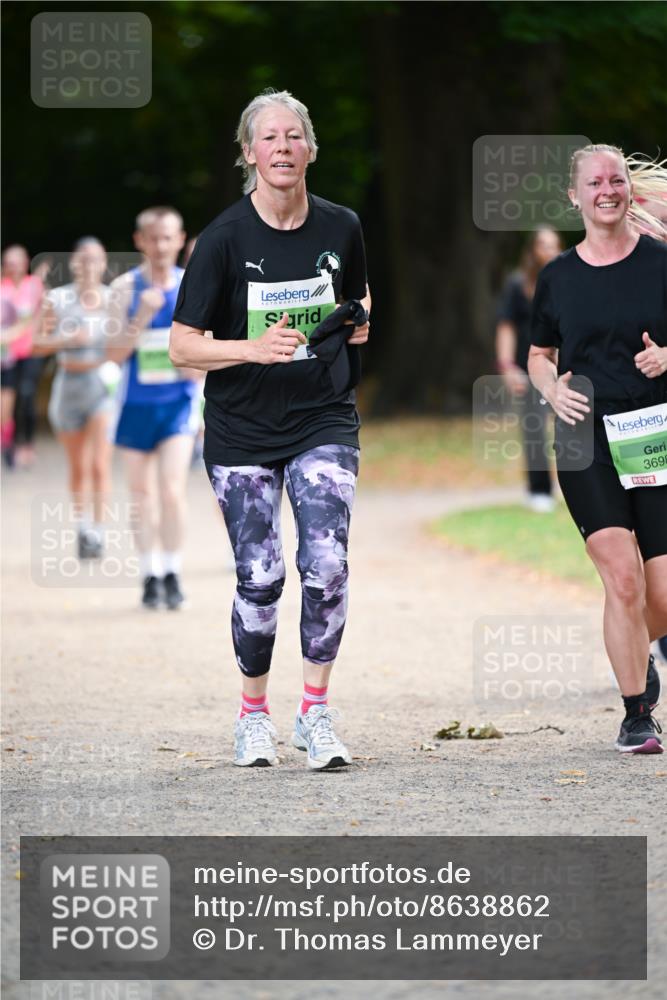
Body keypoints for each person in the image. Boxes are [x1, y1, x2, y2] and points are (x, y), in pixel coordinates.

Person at [170, 89, 371, 770]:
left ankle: (314, 712)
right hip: (241, 427)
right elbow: (181, 345)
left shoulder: (341, 226)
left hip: (322, 416)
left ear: (310, 148)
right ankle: (252, 715)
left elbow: (358, 298)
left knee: (327, 564)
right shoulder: (222, 241)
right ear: (249, 153)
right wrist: (250, 349)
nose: (282, 148)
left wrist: (359, 323)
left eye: (293, 137)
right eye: (269, 138)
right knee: (259, 578)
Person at [528, 144, 667, 754]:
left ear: (629, 191)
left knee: (660, 593)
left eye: (616, 179)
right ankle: (637, 712)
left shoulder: (661, 263)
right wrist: (551, 390)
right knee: (622, 579)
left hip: (655, 434)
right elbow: (538, 355)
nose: (607, 189)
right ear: (574, 196)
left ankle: (636, 652)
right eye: (594, 182)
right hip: (586, 437)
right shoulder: (557, 276)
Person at [108, 207, 201, 610]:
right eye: (153, 238)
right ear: (140, 241)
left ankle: (173, 570)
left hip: (177, 405)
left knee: (172, 490)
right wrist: (141, 316)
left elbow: (204, 354)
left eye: (168, 238)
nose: (161, 246)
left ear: (180, 240)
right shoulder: (124, 289)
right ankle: (149, 572)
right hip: (133, 405)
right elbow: (112, 355)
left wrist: (192, 368)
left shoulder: (191, 286)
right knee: (141, 494)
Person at [34, 238, 114, 558]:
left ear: (104, 264)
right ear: (73, 264)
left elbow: (127, 343)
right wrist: (67, 338)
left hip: (102, 387)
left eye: (95, 259)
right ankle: (82, 528)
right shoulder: (58, 299)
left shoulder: (113, 300)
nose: (88, 266)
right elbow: (37, 344)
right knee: (78, 466)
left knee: (99, 464)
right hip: (68, 386)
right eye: (82, 259)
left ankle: (99, 531)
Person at [496, 226, 562, 511]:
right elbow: (506, 327)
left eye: (554, 245)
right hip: (529, 369)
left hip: (565, 369)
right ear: (532, 249)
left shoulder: (567, 281)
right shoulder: (516, 284)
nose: (549, 251)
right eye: (543, 245)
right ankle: (540, 491)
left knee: (573, 430)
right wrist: (507, 366)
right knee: (534, 429)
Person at [0, 245, 43, 468]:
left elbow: (42, 314)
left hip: (31, 351)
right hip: (6, 355)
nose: (13, 267)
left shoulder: (34, 285)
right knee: (7, 403)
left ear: (25, 263)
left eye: (17, 262)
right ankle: (11, 446)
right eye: (9, 263)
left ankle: (28, 444)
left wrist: (31, 333)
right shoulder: (2, 287)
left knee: (27, 398)